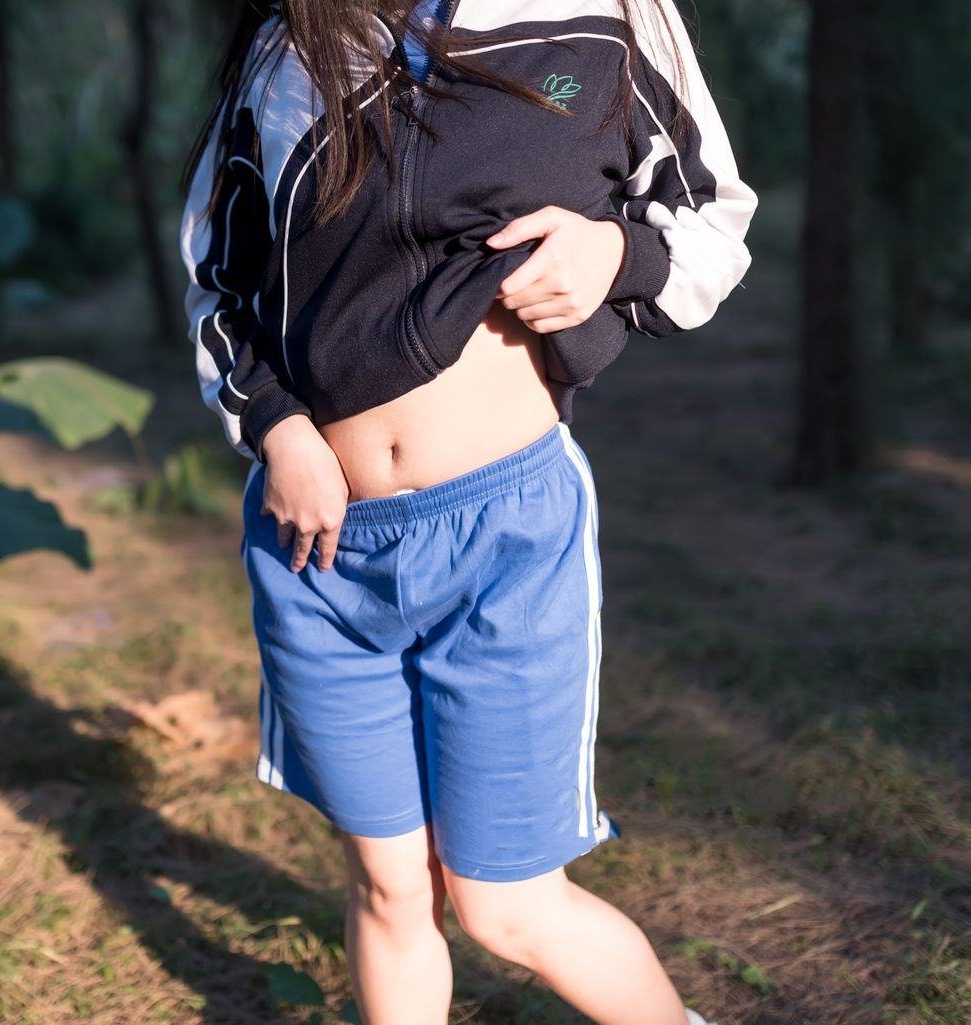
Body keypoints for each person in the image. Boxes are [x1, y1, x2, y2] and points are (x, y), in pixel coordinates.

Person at [179, 1, 755, 1022]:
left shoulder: (607, 16)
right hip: (318, 552)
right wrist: (276, 427)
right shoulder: (291, 43)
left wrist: (615, 255)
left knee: (507, 905)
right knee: (390, 886)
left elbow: (713, 217)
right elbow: (218, 279)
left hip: (505, 539)